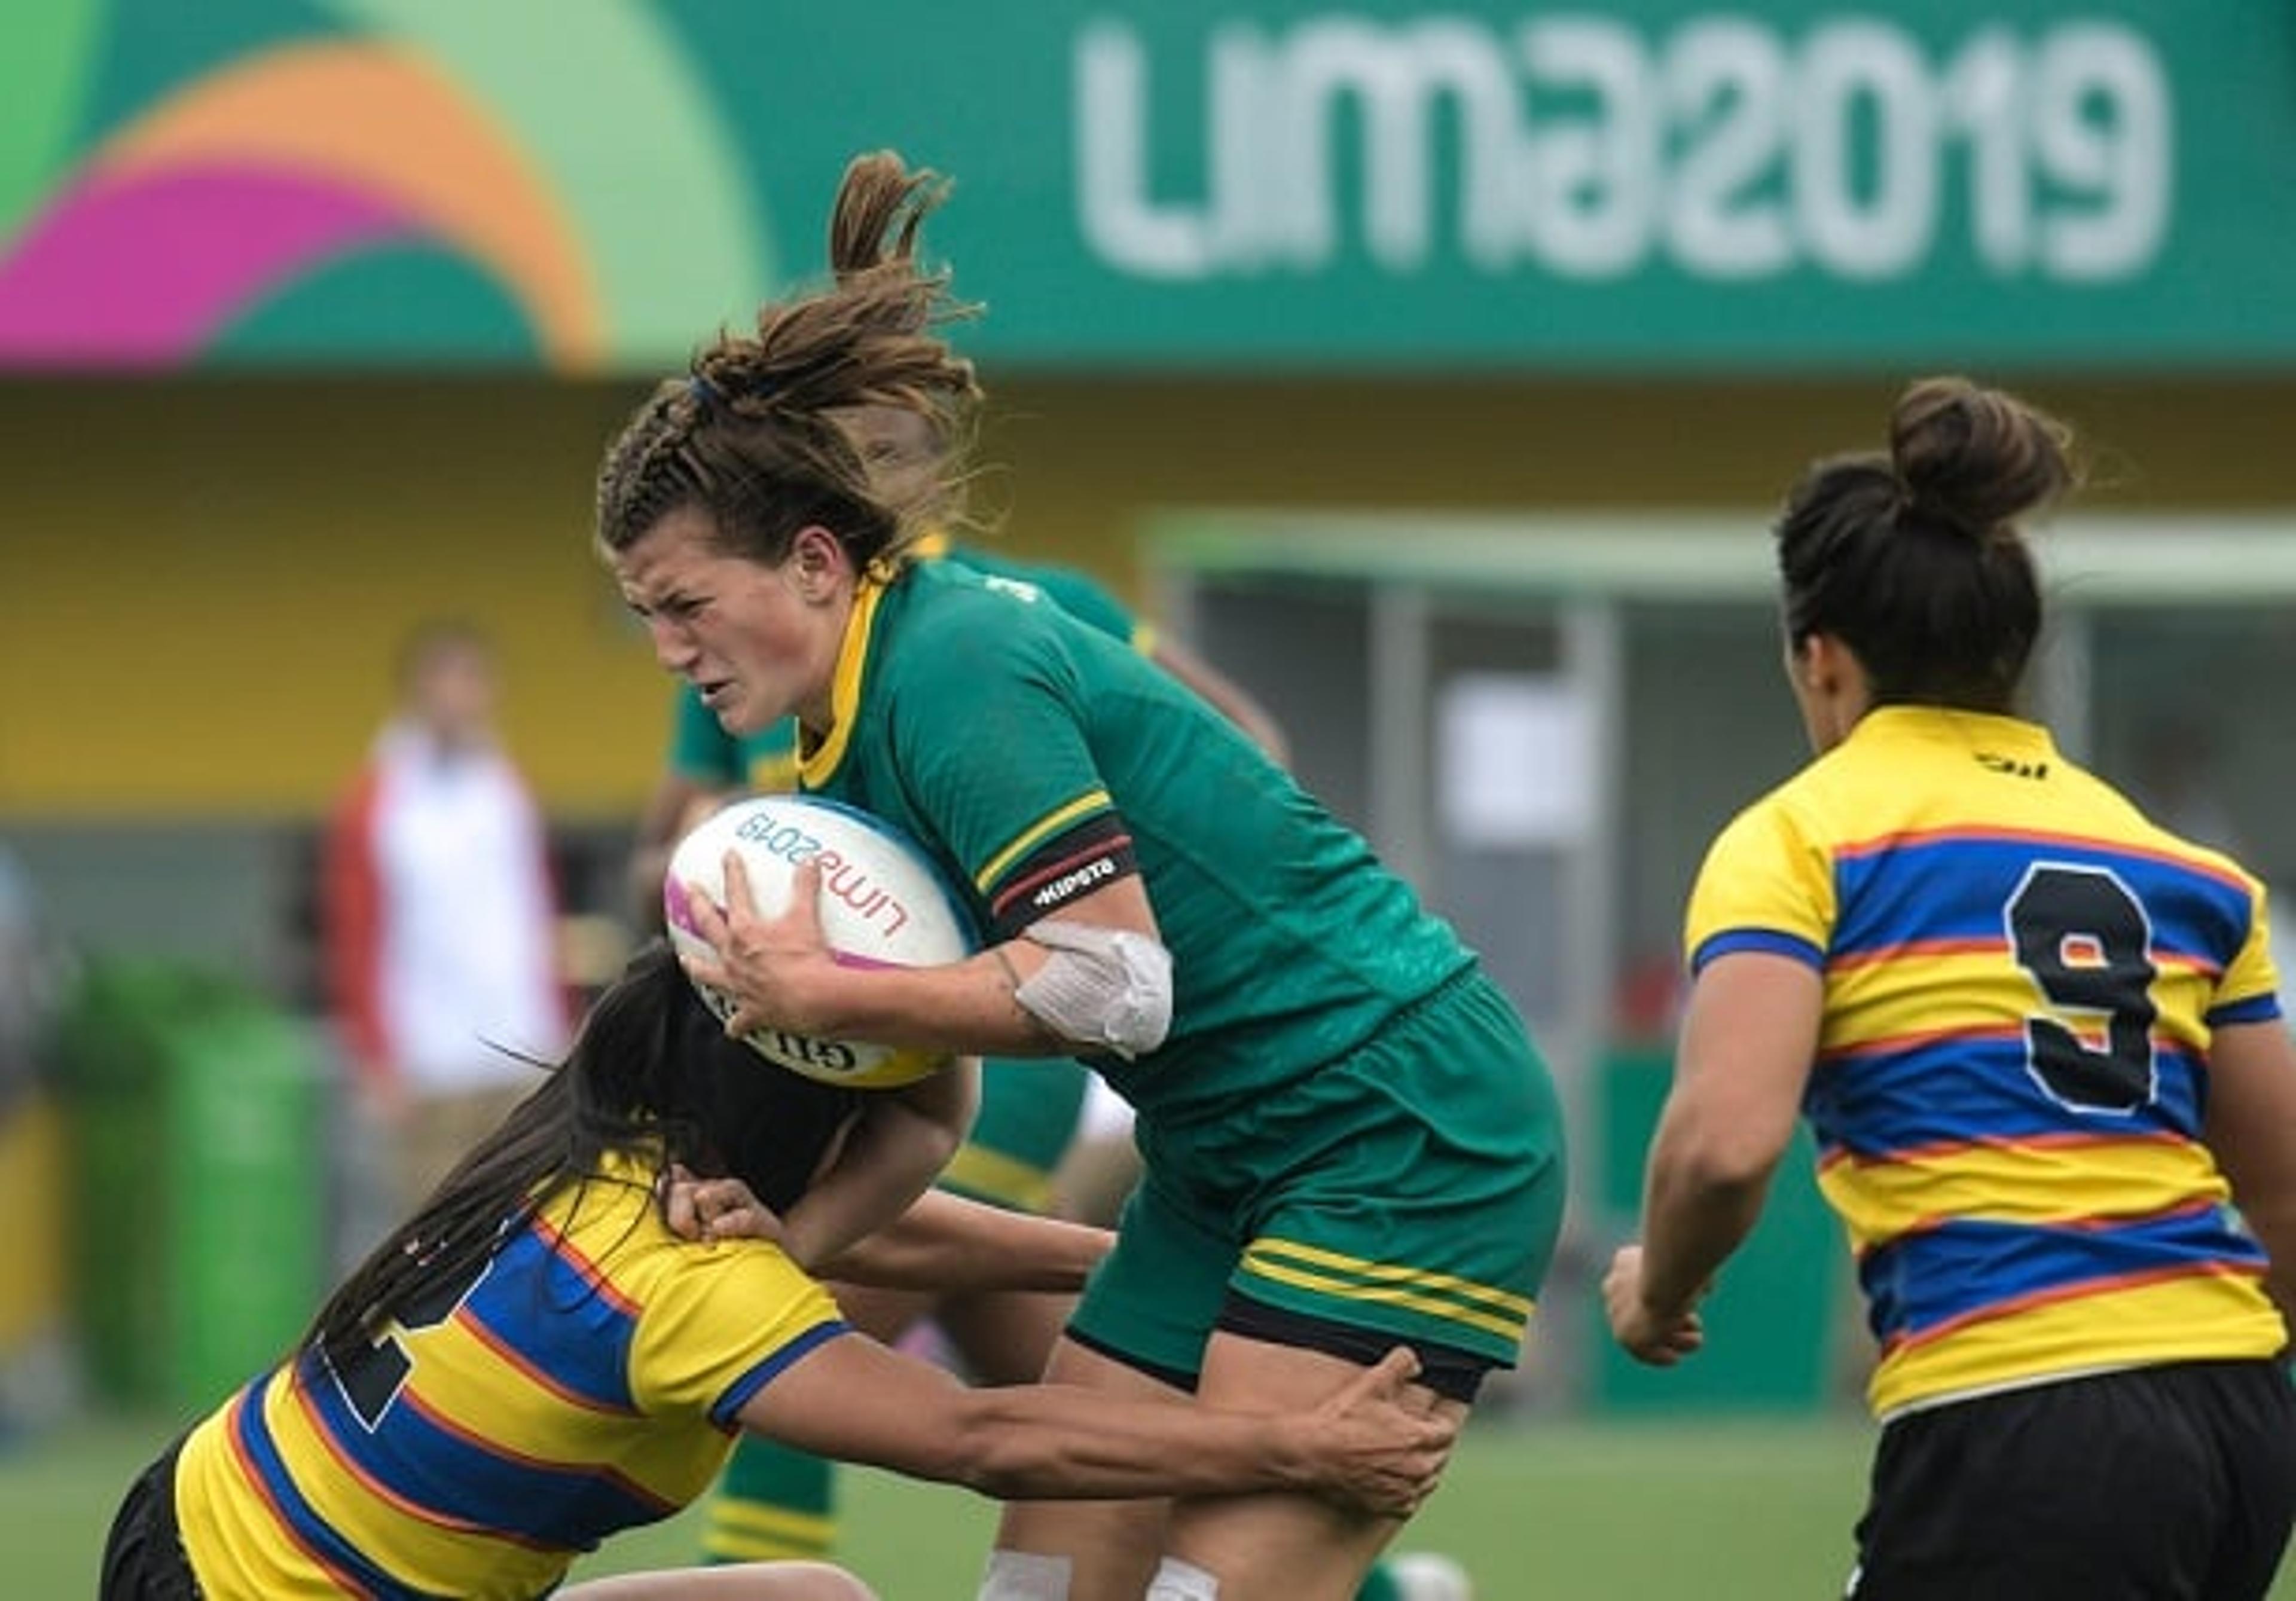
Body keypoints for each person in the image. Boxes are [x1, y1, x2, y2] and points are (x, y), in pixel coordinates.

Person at [596, 150, 1566, 1601]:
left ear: (811, 562)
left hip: (1391, 1124)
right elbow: (935, 1117)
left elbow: (1116, 981)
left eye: (682, 603)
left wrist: (829, 982)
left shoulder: (955, 665)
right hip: (1220, 1160)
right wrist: (785, 1235)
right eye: (644, 615)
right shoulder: (838, 738)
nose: (667, 648)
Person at [98, 943, 1456, 1601]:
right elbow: (983, 1432)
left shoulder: (610, 1156)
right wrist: (1293, 1437)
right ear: (823, 1128)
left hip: (192, 1517)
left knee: (811, 1600)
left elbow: (901, 1233)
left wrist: (1176, 1274)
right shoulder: (688, 1288)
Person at [1601, 377, 2296, 1600]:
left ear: (1820, 659)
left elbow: (1723, 1145)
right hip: (2234, 1417)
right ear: (2010, 652)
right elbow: (2286, 1201)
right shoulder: (2188, 873)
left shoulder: (1806, 839)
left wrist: (1656, 1288)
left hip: (2019, 1413)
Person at [322, 619, 572, 1222]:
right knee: (437, 1231)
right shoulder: (378, 797)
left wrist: (563, 1019)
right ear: (417, 690)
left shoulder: (503, 786)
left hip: (521, 1044)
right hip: (429, 1056)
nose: (462, 696)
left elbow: (536, 911)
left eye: (474, 680)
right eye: (448, 680)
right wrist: (375, 1054)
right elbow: (354, 930)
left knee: (532, 1224)